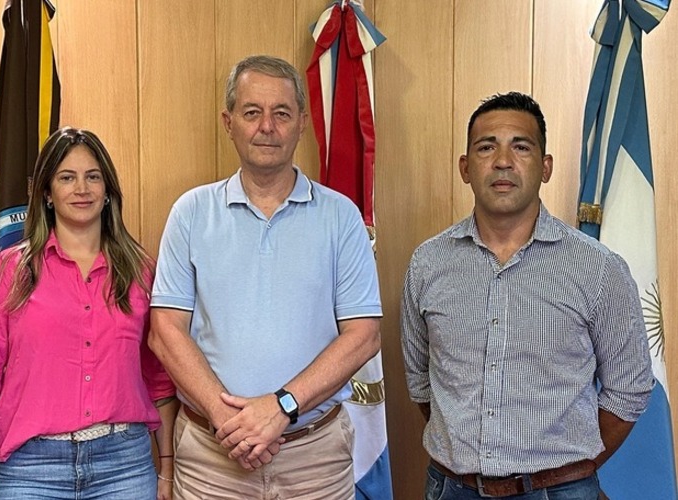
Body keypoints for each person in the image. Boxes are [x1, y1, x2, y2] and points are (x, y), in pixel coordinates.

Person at [147, 54, 382, 499]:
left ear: (302, 124)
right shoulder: (191, 213)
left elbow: (364, 336)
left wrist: (281, 408)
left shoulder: (341, 217)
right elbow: (164, 332)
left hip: (315, 460)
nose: (267, 126)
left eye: (281, 113)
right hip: (211, 460)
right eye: (252, 112)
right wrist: (231, 421)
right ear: (228, 121)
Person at [401, 92, 654, 499]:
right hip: (452, 488)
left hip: (561, 490)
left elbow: (630, 388)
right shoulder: (428, 264)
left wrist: (568, 470)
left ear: (545, 166)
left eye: (521, 146)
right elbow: (421, 382)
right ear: (465, 168)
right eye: (487, 147)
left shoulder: (598, 268)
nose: (503, 161)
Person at [0, 127, 179, 500]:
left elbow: (159, 379)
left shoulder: (141, 273)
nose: (82, 189)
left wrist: (167, 466)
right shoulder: (7, 273)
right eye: (67, 178)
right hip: (29, 472)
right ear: (46, 193)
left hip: (123, 467)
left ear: (108, 192)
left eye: (93, 177)